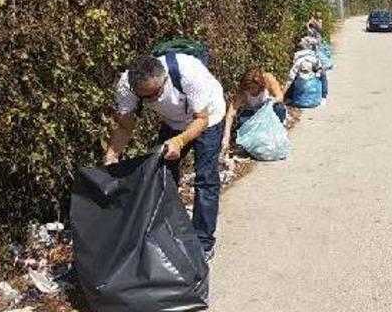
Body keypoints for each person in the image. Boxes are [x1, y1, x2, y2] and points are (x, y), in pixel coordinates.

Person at [105, 53, 226, 262]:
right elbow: (125, 126)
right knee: (162, 176)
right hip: (172, 122)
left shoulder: (189, 72)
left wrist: (179, 142)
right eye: (145, 97)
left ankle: (203, 243)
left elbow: (201, 119)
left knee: (205, 180)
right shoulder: (126, 85)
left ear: (165, 79)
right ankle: (167, 233)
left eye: (156, 93)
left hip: (209, 118)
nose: (152, 100)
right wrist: (112, 155)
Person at [221, 68, 287, 155]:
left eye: (253, 87)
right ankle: (251, 143)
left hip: (268, 113)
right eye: (249, 88)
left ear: (260, 84)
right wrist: (226, 136)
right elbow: (231, 113)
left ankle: (275, 136)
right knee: (242, 121)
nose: (251, 90)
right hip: (252, 114)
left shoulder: (268, 79)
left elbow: (280, 97)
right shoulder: (242, 92)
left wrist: (271, 102)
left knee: (279, 108)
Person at [284, 37, 328, 104]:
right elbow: (291, 77)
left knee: (323, 74)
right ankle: (289, 97)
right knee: (294, 79)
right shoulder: (298, 63)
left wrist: (317, 74)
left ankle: (323, 97)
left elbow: (319, 68)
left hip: (312, 71)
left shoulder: (313, 60)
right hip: (303, 74)